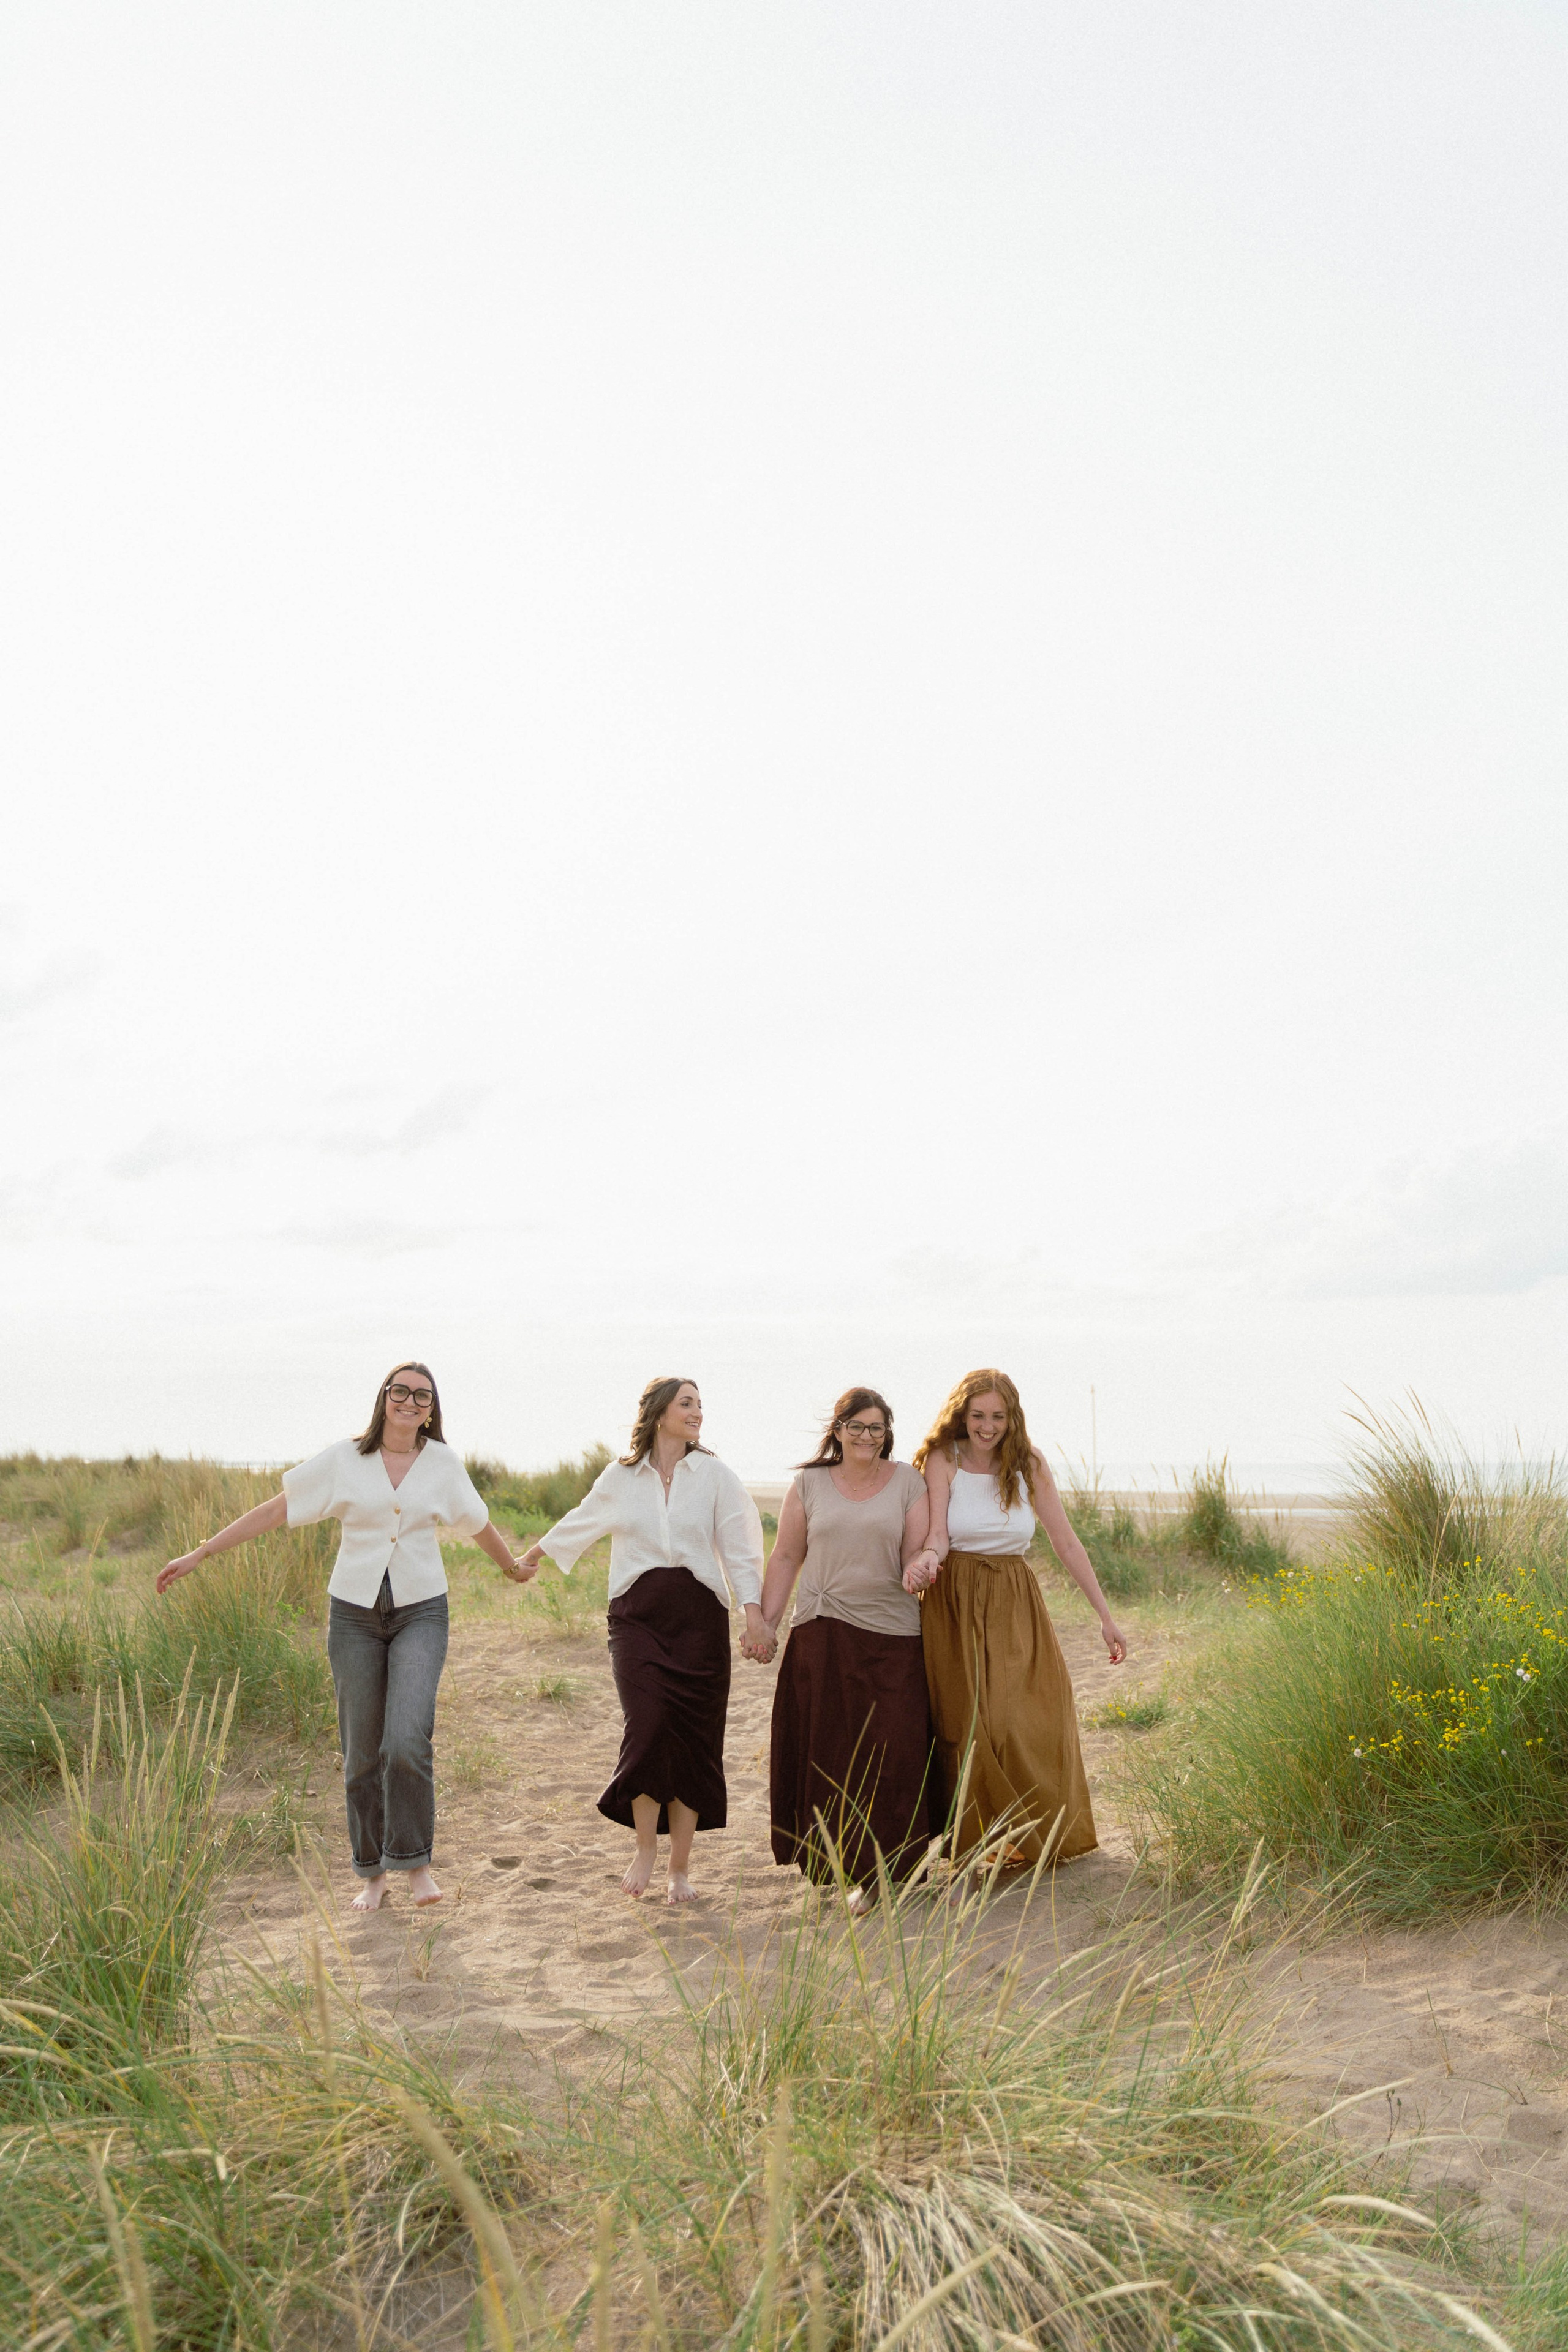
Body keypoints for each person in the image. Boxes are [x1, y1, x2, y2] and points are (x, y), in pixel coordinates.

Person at [157, 1360, 536, 1912]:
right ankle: (372, 1874)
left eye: (422, 1396)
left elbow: (477, 1522)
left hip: (421, 1613)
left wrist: (511, 1567)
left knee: (406, 1740)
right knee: (361, 1752)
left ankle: (416, 1864)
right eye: (400, 1390)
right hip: (354, 1617)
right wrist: (202, 1552)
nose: (410, 1401)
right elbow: (277, 1510)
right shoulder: (344, 1458)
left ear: (432, 1411)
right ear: (384, 1397)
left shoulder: (443, 1464)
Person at [511, 1376, 769, 1906]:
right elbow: (582, 1520)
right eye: (687, 1403)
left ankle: (679, 1869)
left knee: (694, 1742)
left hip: (700, 1621)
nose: (697, 1412)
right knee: (648, 1728)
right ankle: (646, 1848)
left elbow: (740, 1547)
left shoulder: (716, 1476)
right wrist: (533, 1555)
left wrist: (754, 1614)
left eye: (700, 1404)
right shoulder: (622, 1476)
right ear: (659, 1412)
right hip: (637, 1619)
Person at [910, 1368, 1126, 1871]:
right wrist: (928, 1560)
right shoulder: (944, 1459)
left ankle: (1032, 1836)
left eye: (998, 1416)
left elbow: (1065, 1541)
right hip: (954, 1597)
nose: (987, 1427)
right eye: (978, 1416)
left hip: (1014, 1597)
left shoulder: (1029, 1463)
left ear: (1013, 1418)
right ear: (962, 1415)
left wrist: (1105, 1615)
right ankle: (970, 1848)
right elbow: (938, 1533)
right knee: (966, 1723)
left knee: (1025, 1717)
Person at [758, 1387, 939, 1909]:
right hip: (823, 1631)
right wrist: (766, 1624)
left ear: (887, 1433)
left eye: (876, 1427)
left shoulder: (908, 1481)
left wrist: (919, 1567)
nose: (866, 1436)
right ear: (837, 1430)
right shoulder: (810, 1483)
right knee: (833, 1757)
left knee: (894, 1753)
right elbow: (786, 1556)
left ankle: (892, 1872)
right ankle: (854, 1873)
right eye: (856, 1426)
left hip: (893, 1635)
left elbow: (914, 1550)